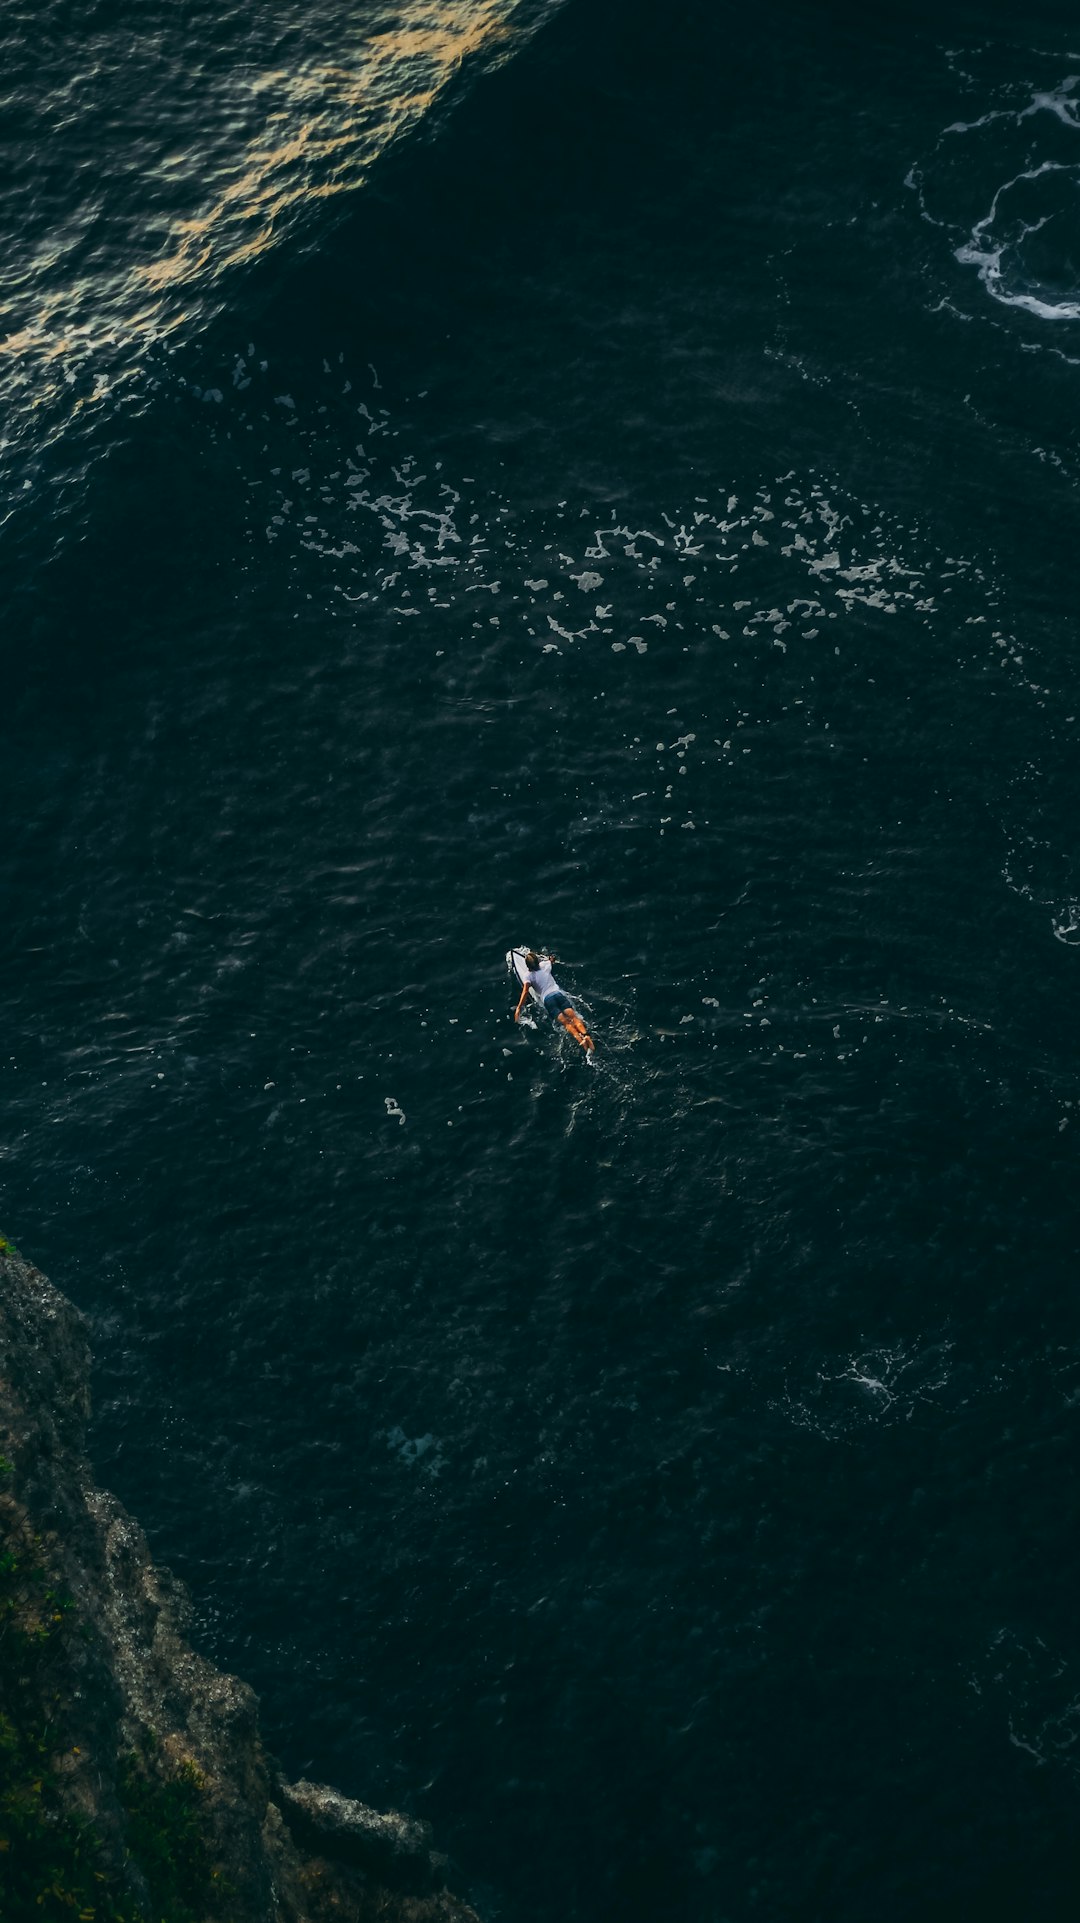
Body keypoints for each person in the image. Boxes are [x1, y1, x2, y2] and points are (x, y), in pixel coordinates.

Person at [513, 950, 595, 1053]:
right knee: (574, 1018)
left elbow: (525, 991)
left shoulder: (528, 976)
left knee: (566, 1023)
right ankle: (586, 1036)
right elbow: (551, 960)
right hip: (558, 994)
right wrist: (550, 959)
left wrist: (518, 1007)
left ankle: (581, 1041)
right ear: (537, 962)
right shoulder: (545, 965)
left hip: (548, 1000)